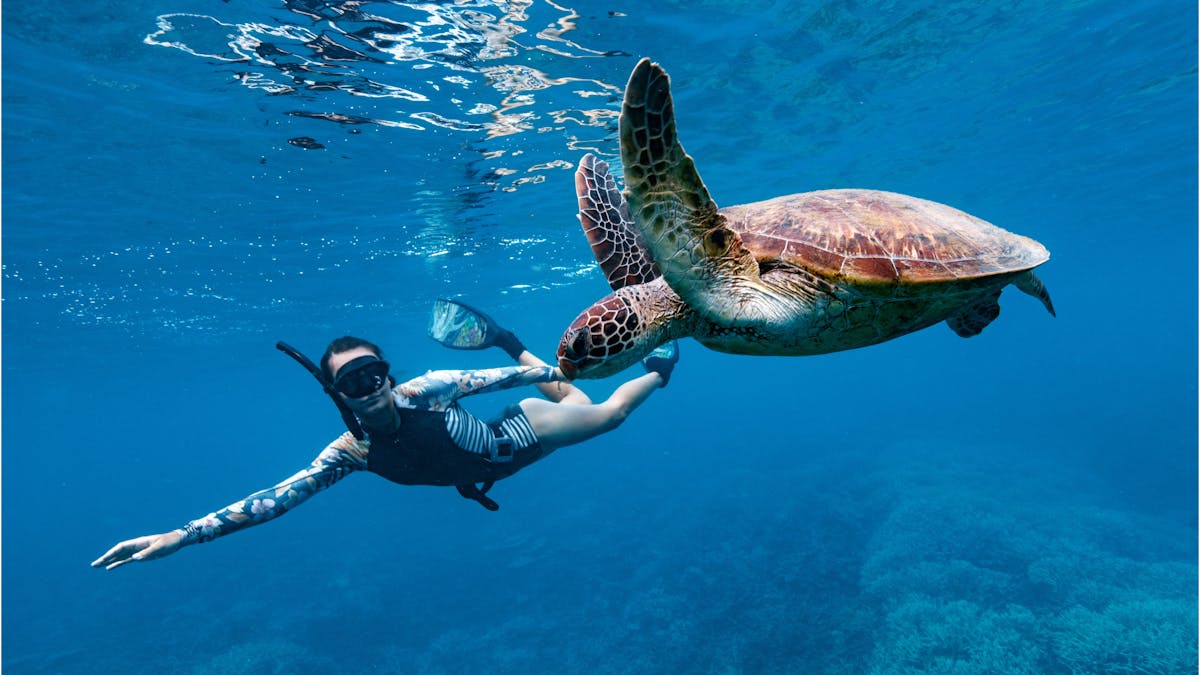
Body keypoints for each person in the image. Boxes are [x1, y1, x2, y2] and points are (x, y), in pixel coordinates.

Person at [92, 299, 679, 570]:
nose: (371, 385)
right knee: (569, 395)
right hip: (485, 463)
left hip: (519, 436)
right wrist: (183, 534)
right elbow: (274, 500)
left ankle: (657, 370)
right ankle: (517, 341)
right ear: (336, 394)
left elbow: (516, 378)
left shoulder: (427, 389)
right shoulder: (349, 453)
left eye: (376, 372)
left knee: (602, 413)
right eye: (353, 380)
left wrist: (584, 363)